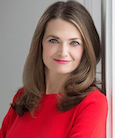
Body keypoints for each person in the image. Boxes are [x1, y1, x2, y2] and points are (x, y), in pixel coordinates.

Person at [0, 0, 108, 138]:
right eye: (53, 40)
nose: (63, 52)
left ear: (86, 49)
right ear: (40, 43)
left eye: (74, 43)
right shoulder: (23, 97)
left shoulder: (91, 103)